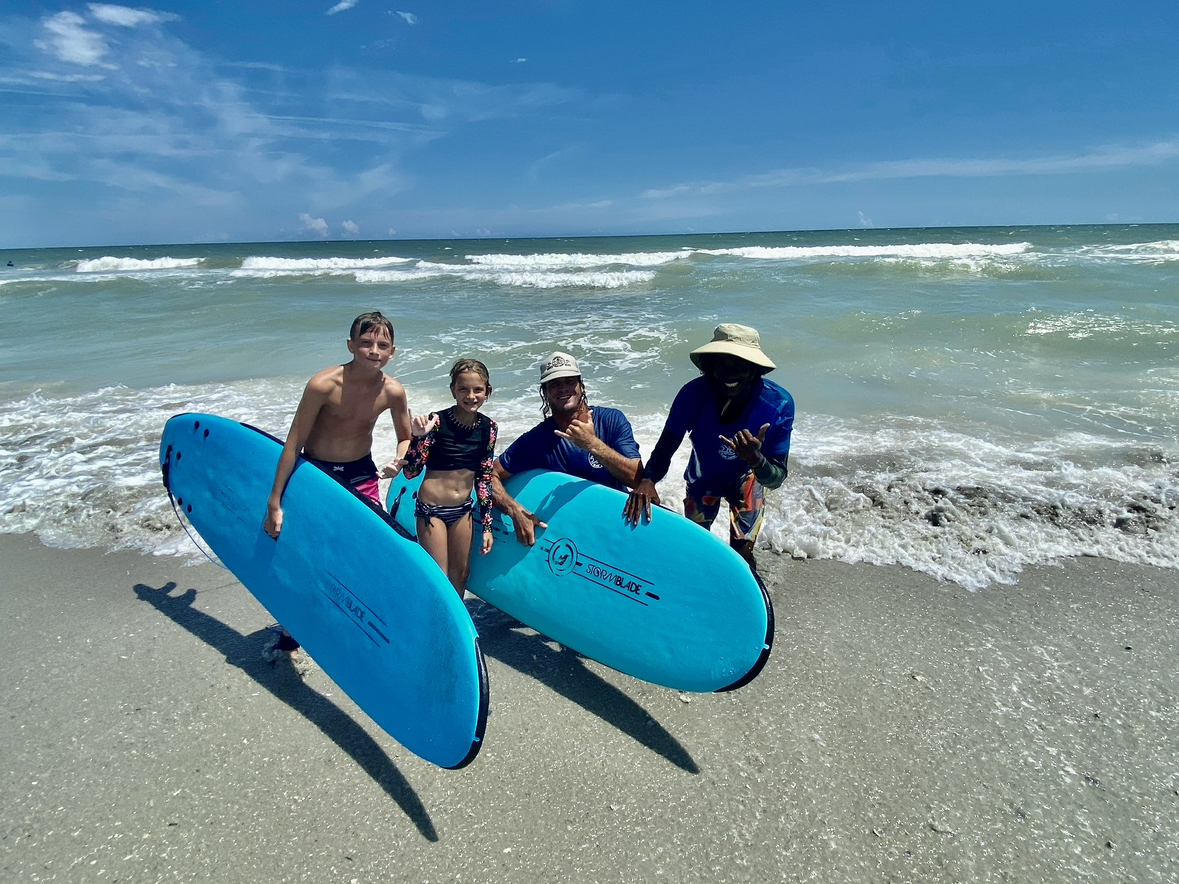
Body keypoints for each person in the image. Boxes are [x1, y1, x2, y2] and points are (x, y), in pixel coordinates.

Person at [624, 324, 794, 571]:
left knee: (742, 558)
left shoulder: (778, 405)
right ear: (709, 367)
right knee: (694, 549)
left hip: (748, 479)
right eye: (721, 364)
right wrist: (648, 480)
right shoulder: (692, 394)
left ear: (756, 370)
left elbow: (776, 479)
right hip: (704, 477)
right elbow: (666, 447)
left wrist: (755, 459)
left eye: (739, 364)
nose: (729, 373)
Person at [492, 351, 642, 545]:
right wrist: (516, 512)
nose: (563, 389)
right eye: (554, 384)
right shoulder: (538, 439)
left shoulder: (612, 421)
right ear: (544, 392)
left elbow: (637, 479)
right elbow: (488, 476)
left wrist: (592, 444)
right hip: (571, 533)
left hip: (616, 526)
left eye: (569, 381)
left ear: (581, 385)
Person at [398, 359, 498, 598]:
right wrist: (418, 438)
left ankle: (453, 630)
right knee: (439, 577)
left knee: (461, 574)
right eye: (463, 389)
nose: (470, 395)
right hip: (432, 511)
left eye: (477, 390)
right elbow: (410, 471)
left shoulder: (489, 428)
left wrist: (486, 526)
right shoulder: (437, 422)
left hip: (463, 510)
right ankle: (433, 628)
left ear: (488, 392)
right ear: (453, 390)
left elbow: (484, 478)